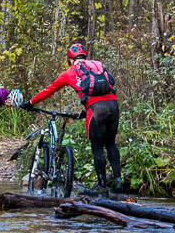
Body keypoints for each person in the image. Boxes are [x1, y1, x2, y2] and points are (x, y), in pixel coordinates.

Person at [23, 43, 122, 193]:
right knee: (111, 144)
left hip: (96, 110)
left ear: (69, 59)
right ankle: (118, 181)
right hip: (113, 106)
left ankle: (101, 186)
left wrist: (31, 102)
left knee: (97, 147)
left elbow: (49, 90)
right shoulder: (96, 66)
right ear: (85, 57)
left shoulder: (69, 73)